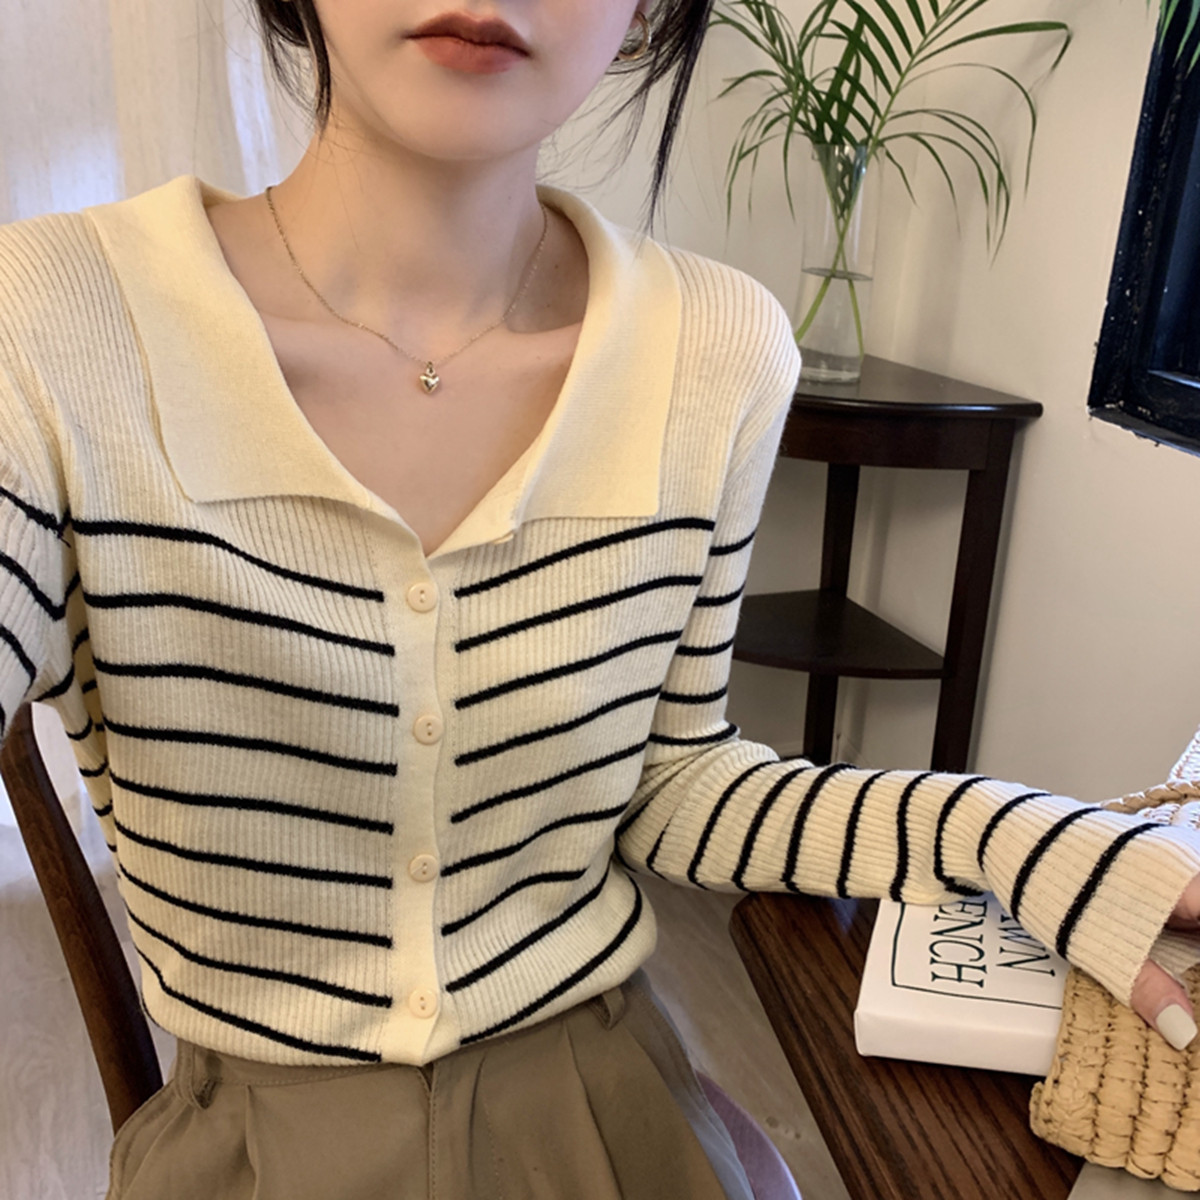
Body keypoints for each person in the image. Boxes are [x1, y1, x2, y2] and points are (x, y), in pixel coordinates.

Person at [1, 1, 1199, 1197]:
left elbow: (672, 783)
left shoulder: (718, 350)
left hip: (610, 1113)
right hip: (256, 1149)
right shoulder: (51, 327)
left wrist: (1012, 833)